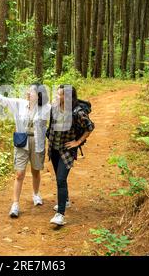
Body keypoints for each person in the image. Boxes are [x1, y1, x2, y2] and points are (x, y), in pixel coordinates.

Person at [0, 84, 51, 218]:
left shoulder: (46, 108)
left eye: (31, 91)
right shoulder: (19, 104)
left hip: (37, 142)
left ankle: (36, 194)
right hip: (21, 141)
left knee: (35, 171)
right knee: (19, 173)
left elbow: (61, 112)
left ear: (38, 95)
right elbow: (1, 98)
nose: (28, 93)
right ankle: (15, 204)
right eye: (28, 90)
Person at [46, 85, 94, 226]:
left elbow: (90, 127)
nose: (56, 96)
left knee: (61, 179)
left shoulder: (77, 112)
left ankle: (60, 214)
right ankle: (65, 200)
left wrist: (78, 142)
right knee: (59, 177)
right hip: (54, 148)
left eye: (59, 94)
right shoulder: (54, 108)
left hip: (66, 151)